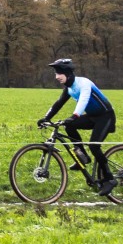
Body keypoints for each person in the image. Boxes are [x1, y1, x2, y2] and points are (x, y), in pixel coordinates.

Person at [41, 57, 118, 194]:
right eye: (56, 73)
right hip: (92, 116)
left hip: (106, 116)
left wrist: (75, 115)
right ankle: (83, 157)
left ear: (68, 73)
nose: (57, 76)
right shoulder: (69, 88)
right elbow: (58, 104)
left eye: (59, 73)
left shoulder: (84, 83)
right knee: (69, 126)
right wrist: (45, 118)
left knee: (94, 146)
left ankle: (110, 179)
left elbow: (84, 100)